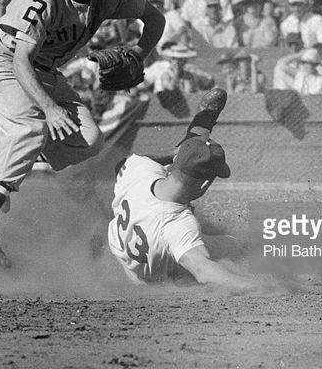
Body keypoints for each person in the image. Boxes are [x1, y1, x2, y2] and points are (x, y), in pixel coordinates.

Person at [0, 0, 166, 268]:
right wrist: (49, 108)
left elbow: (155, 19)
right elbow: (20, 61)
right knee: (30, 127)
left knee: (90, 140)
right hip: (3, 60)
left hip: (44, 70)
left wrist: (138, 54)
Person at [107, 88, 275, 292]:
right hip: (156, 278)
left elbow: (125, 164)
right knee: (236, 247)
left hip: (122, 250)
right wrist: (253, 285)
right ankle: (304, 257)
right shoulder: (179, 225)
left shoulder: (137, 169)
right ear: (205, 185)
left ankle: (203, 120)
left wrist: (178, 153)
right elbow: (203, 270)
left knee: (177, 161)